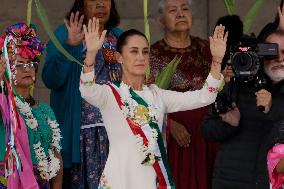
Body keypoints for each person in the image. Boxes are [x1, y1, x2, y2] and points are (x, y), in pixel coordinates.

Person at [79, 17, 226, 188]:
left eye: (145, 51)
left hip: (152, 180)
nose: (141, 57)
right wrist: (90, 54)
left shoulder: (158, 95)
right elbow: (87, 90)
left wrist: (216, 61)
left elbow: (205, 97)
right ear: (119, 57)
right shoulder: (109, 94)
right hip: (120, 179)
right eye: (134, 51)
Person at [41, 0, 122, 188]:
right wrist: (70, 45)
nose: (101, 3)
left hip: (115, 134)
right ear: (81, 4)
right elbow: (51, 80)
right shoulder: (65, 33)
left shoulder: (119, 37)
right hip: (80, 137)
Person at [201, 13, 284, 189]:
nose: (279, 58)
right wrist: (229, 123)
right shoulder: (237, 85)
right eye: (272, 51)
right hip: (230, 181)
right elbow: (207, 130)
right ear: (260, 55)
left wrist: (271, 107)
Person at [149, 0, 219, 188]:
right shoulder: (151, 54)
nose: (180, 14)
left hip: (207, 132)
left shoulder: (208, 49)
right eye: (173, 10)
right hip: (175, 136)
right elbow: (145, 99)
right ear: (160, 20)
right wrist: (169, 123)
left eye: (185, 9)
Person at [0, 23, 63, 189]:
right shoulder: (4, 106)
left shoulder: (45, 110)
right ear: (7, 69)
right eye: (19, 64)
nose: (27, 69)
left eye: (31, 63)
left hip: (42, 182)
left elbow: (56, 153)